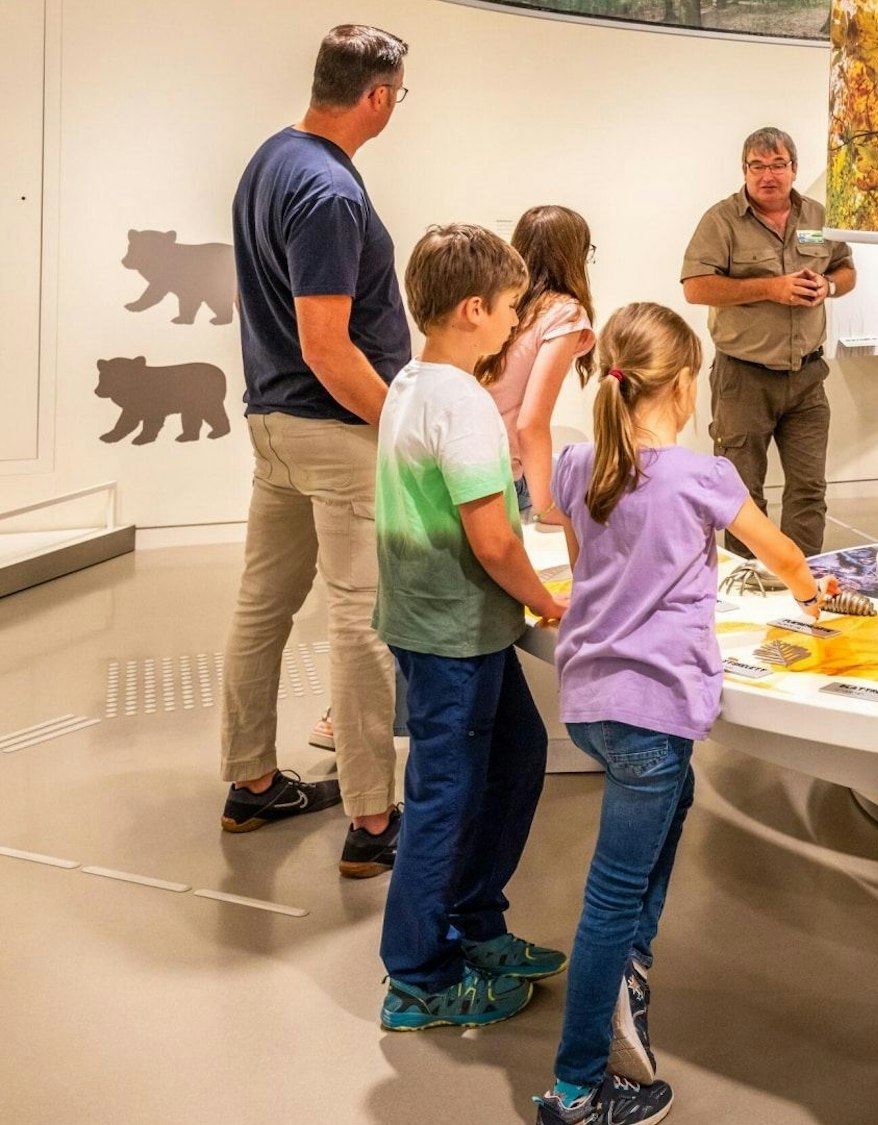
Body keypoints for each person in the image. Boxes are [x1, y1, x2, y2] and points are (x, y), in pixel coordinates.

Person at [532, 303, 831, 1124]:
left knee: (677, 793)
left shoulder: (577, 464)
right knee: (611, 895)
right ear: (686, 384)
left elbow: (587, 566)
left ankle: (629, 967)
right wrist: (812, 596)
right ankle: (578, 1088)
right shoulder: (705, 477)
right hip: (650, 711)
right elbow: (782, 552)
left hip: (591, 700)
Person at [219, 24, 408, 878]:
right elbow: (328, 346)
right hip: (333, 432)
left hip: (274, 424)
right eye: (399, 94)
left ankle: (251, 780)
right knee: (361, 620)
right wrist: (400, 423)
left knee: (262, 606)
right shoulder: (330, 190)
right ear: (377, 95)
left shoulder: (271, 160)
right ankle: (372, 818)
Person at [374, 225, 571, 1028]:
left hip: (442, 623)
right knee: (445, 799)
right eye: (513, 308)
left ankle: (474, 922)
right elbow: (493, 541)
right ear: (474, 309)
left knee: (516, 757)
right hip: (451, 633)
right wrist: (549, 600)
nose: (518, 322)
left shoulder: (411, 381)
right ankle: (418, 974)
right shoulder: (463, 404)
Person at [682, 126, 855, 558]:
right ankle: (749, 580)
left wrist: (829, 287)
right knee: (741, 494)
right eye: (757, 166)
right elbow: (696, 287)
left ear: (794, 169)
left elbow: (846, 269)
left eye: (778, 165)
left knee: (809, 488)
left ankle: (804, 576)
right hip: (744, 378)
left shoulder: (817, 218)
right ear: (744, 170)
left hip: (809, 377)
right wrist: (769, 288)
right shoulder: (721, 220)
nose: (767, 176)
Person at [476, 204, 597, 525]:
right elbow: (530, 423)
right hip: (504, 477)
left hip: (468, 467)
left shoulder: (497, 302)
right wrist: (546, 508)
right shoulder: (564, 313)